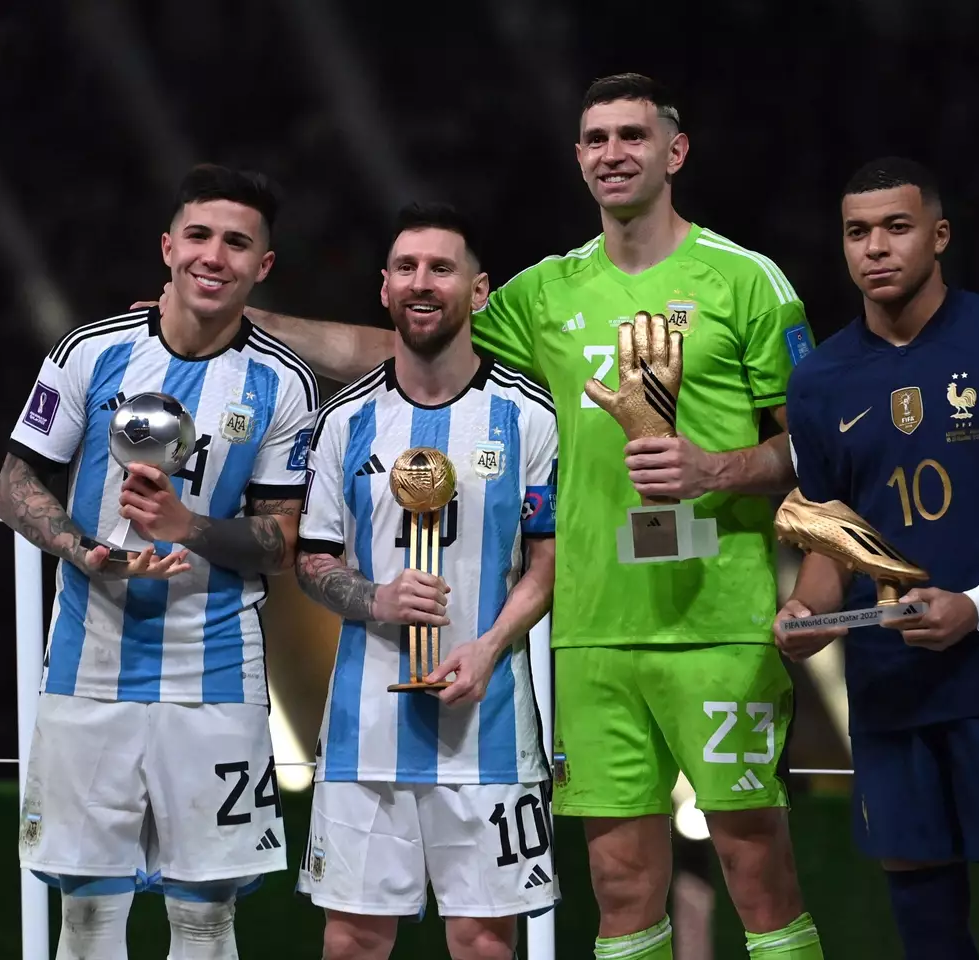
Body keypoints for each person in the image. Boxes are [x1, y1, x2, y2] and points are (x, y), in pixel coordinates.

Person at [232, 73, 823, 959]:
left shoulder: (747, 281)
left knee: (757, 868)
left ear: (675, 150)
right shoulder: (547, 293)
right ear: (579, 158)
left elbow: (814, 448)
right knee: (621, 885)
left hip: (720, 623)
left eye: (631, 135)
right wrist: (241, 319)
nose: (613, 154)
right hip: (589, 636)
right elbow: (407, 341)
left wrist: (718, 468)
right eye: (595, 139)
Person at [778, 157, 979, 959]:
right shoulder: (819, 380)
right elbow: (834, 544)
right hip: (891, 685)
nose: (876, 248)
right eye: (858, 232)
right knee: (925, 923)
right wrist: (807, 613)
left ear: (939, 234)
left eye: (897, 227)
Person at [0, 163, 319, 960]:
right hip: (85, 664)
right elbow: (13, 484)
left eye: (237, 243)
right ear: (168, 247)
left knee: (206, 916)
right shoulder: (89, 351)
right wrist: (88, 550)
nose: (215, 256)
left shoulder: (283, 384)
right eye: (200, 236)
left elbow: (282, 541)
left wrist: (189, 527)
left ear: (262, 267)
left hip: (214, 672)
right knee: (89, 914)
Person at [293, 202, 559, 960]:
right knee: (351, 942)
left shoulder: (526, 415)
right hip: (363, 732)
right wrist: (374, 599)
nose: (422, 282)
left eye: (441, 268)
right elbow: (312, 559)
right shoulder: (345, 420)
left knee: (483, 945)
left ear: (478, 291)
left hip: (491, 726)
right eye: (406, 268)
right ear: (384, 288)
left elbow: (547, 561)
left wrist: (490, 646)